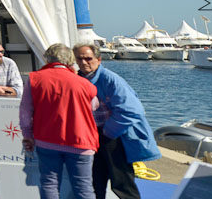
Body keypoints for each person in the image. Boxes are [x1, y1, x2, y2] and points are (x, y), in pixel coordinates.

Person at [72, 42, 161, 199]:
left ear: (99, 60)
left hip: (113, 137)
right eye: (80, 59)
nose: (84, 62)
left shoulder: (111, 80)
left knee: (122, 183)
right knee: (94, 182)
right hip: (90, 137)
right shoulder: (76, 80)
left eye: (88, 58)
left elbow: (132, 110)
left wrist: (108, 133)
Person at [20, 44, 99, 199]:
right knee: (84, 188)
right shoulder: (84, 83)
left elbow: (25, 110)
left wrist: (27, 134)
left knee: (49, 183)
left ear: (47, 59)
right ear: (70, 60)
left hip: (46, 140)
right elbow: (94, 106)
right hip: (80, 141)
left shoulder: (35, 79)